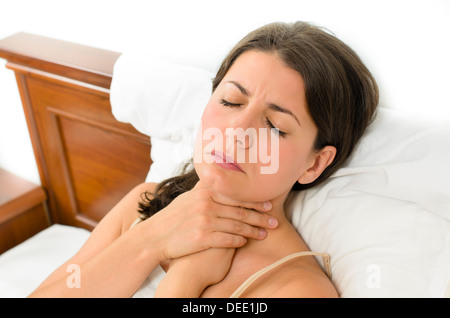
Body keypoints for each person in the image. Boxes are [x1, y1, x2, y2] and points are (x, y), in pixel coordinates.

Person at [29, 21, 378, 298]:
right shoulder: (146, 204)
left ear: (314, 164)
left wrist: (184, 282)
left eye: (274, 125)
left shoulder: (297, 289)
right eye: (230, 101)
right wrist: (148, 240)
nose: (237, 131)